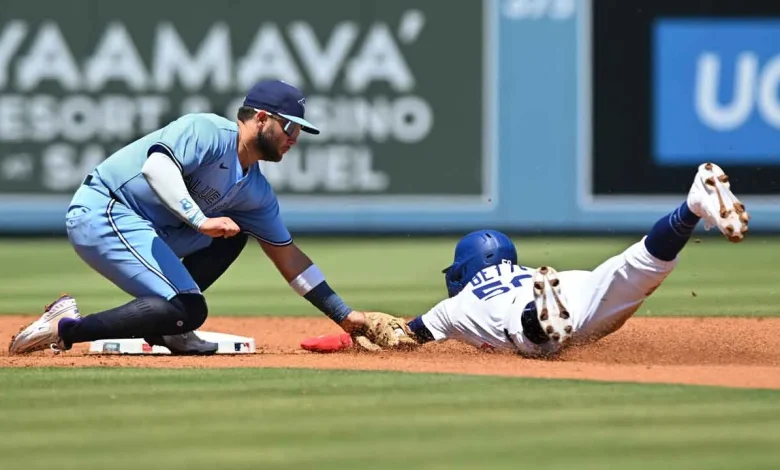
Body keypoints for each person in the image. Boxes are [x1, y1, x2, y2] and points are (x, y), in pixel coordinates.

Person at [9, 80, 398, 356]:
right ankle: (66, 328)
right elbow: (156, 167)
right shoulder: (208, 131)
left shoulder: (255, 191)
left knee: (233, 236)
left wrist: (347, 317)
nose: (295, 137)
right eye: (290, 126)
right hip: (106, 210)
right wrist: (199, 220)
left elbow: (290, 259)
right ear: (262, 118)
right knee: (189, 308)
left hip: (152, 228)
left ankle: (169, 330)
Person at [304, 162, 750, 356]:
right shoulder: (522, 271)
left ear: (465, 269)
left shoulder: (456, 305)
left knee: (532, 340)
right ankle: (692, 207)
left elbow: (402, 337)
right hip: (569, 282)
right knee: (636, 266)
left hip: (522, 311)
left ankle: (542, 315)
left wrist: (350, 336)